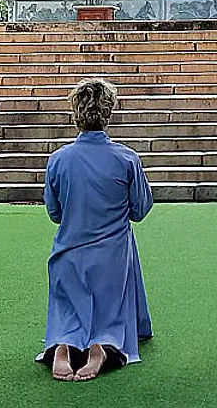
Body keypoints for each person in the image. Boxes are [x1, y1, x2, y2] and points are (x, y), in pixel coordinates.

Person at [35, 78, 154, 382]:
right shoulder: (126, 158)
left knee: (67, 300)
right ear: (109, 113)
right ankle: (101, 344)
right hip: (113, 255)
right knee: (110, 293)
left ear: (75, 114)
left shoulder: (58, 159)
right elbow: (140, 209)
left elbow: (54, 213)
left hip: (69, 251)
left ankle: (63, 345)